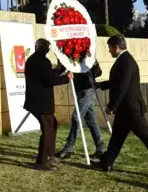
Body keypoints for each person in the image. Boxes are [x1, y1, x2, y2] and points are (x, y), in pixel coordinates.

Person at [94, 35, 148, 179]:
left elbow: (123, 86)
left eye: (110, 48)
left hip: (131, 110)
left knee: (147, 138)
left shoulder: (127, 61)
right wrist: (101, 85)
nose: (109, 50)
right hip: (125, 110)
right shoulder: (123, 60)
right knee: (116, 138)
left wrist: (112, 105)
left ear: (116, 47)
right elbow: (116, 82)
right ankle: (107, 163)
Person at [23, 38, 73, 171]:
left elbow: (47, 75)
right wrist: (66, 78)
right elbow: (49, 80)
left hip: (35, 101)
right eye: (47, 47)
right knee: (48, 130)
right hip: (41, 102)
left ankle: (49, 154)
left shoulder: (32, 59)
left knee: (53, 125)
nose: (49, 49)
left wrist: (60, 68)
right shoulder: (43, 61)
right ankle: (42, 161)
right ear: (41, 47)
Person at [54, 60, 106, 160]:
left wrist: (92, 68)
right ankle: (100, 148)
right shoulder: (70, 57)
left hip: (88, 90)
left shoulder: (87, 56)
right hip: (80, 91)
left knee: (76, 117)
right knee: (91, 121)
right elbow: (60, 70)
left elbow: (98, 72)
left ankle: (68, 148)